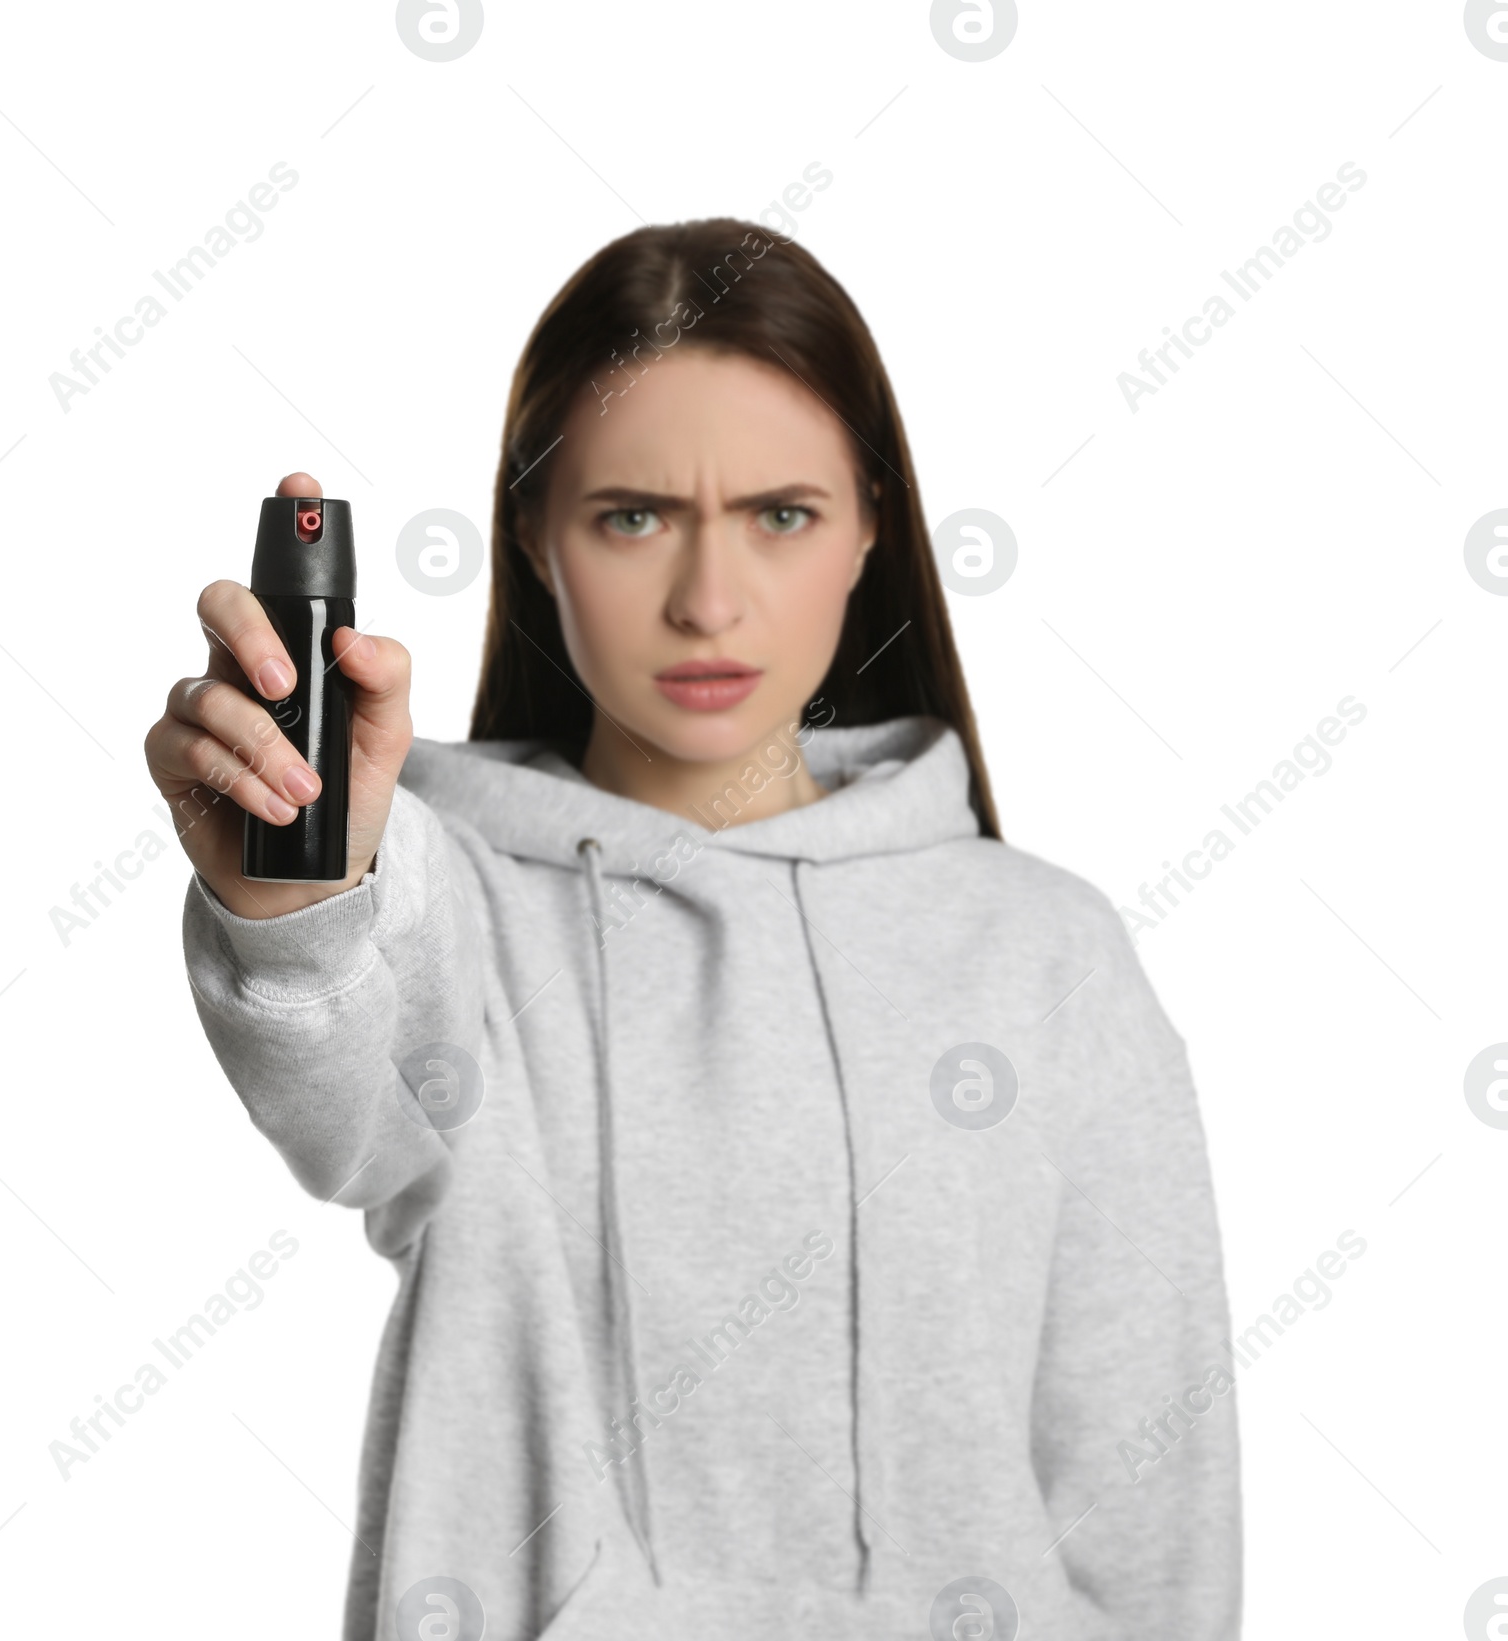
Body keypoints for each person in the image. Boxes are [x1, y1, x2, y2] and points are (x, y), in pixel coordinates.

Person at [145, 218, 1241, 1641]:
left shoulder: (1048, 955)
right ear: (536, 537)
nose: (708, 600)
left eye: (780, 514)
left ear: (868, 532)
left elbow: (1150, 1517)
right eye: (634, 515)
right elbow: (341, 1076)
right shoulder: (445, 896)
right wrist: (293, 887)